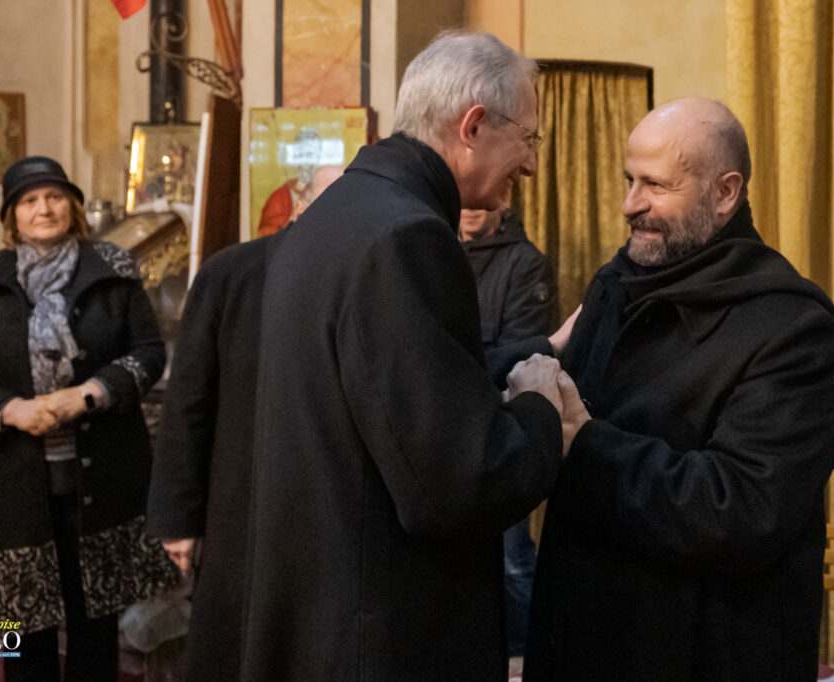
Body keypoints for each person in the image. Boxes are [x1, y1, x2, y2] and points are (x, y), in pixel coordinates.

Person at [242, 31, 589, 681]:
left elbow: (394, 385)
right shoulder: (411, 236)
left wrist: (540, 347)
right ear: (473, 126)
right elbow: (457, 485)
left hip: (320, 611)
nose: (531, 165)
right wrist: (543, 409)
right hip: (384, 633)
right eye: (529, 138)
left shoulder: (339, 213)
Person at [525, 98, 834, 681]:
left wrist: (585, 442)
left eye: (655, 185)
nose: (630, 204)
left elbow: (743, 511)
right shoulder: (615, 285)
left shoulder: (794, 328)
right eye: (629, 180)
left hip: (706, 654)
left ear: (725, 193)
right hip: (586, 639)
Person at [0, 156, 179, 681]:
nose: (43, 208)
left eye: (54, 196)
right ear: (12, 216)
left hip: (102, 474)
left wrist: (90, 394)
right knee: (23, 626)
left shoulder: (112, 268)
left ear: (72, 205)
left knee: (95, 618)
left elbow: (148, 353)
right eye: (29, 200)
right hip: (10, 480)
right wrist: (10, 409)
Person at [146, 161, 343, 680]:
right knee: (235, 646)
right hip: (240, 501)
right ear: (298, 205)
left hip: (326, 510)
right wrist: (178, 518)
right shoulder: (230, 272)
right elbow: (188, 399)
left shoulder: (362, 274)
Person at [460, 196, 557, 662]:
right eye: (463, 202)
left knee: (513, 558)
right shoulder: (432, 248)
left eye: (482, 203)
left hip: (502, 429)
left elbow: (523, 352)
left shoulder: (525, 262)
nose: (471, 209)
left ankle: (521, 657)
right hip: (450, 430)